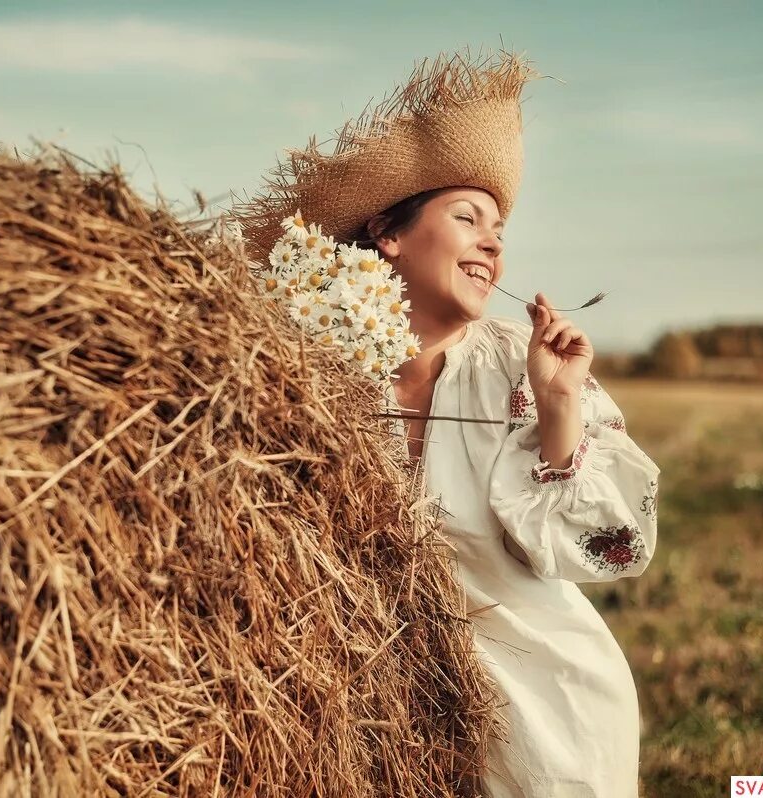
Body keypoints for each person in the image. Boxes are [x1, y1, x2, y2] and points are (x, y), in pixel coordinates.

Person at [226, 48, 661, 797]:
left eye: (500, 228)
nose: (494, 241)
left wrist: (558, 408)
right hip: (364, 736)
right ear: (387, 236)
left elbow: (613, 552)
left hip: (543, 730)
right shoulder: (307, 371)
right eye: (468, 218)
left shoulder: (524, 371)